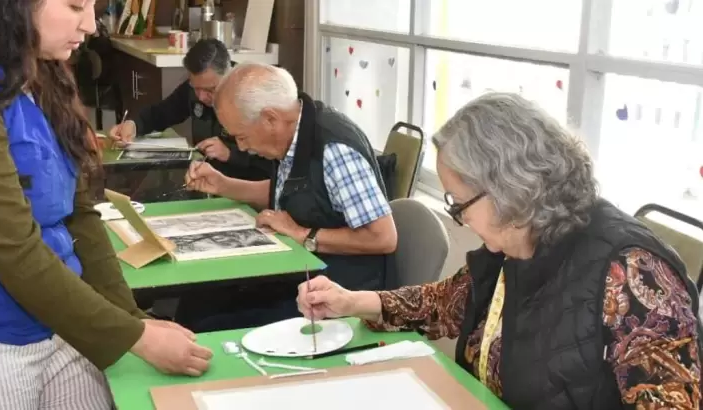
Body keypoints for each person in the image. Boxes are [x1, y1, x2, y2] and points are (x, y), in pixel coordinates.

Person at [0, 1, 211, 409]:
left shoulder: (39, 77)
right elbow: (13, 249)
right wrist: (136, 337)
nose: (91, 25)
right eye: (76, 5)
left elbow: (79, 215)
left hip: (49, 315)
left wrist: (132, 318)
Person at [296, 92, 703, 409]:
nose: (459, 217)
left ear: (509, 186)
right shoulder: (517, 237)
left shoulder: (632, 273)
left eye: (459, 203)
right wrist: (352, 301)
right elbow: (449, 302)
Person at [179, 62, 397, 332]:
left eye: (242, 137)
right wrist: (224, 185)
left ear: (270, 118)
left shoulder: (334, 148)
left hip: (335, 297)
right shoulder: (296, 129)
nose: (243, 148)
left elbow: (383, 238)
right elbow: (294, 192)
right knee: (196, 303)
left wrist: (303, 234)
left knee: (208, 326)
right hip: (300, 277)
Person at [108, 38, 273, 181]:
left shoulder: (253, 96)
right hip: (203, 178)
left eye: (210, 90)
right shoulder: (193, 90)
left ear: (228, 73)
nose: (201, 97)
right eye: (196, 88)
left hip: (244, 186)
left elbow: (273, 162)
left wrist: (231, 154)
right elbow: (161, 113)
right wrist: (133, 125)